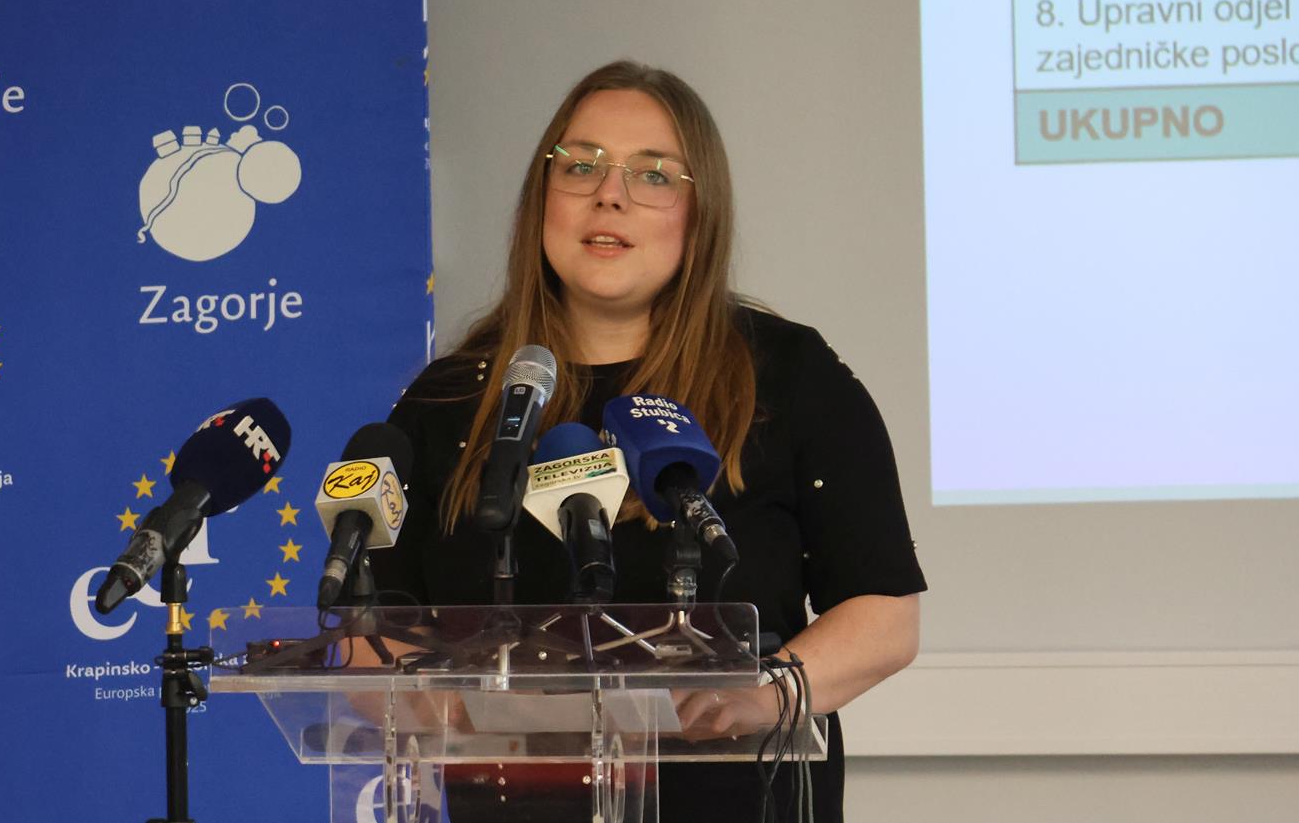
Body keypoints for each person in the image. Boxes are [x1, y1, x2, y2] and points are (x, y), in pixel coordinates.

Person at [374, 60, 925, 822]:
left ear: (701, 214)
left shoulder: (788, 378)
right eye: (581, 165)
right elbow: (369, 633)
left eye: (654, 174)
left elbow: (884, 617)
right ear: (542, 198)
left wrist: (761, 695)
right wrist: (457, 713)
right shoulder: (448, 403)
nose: (610, 194)